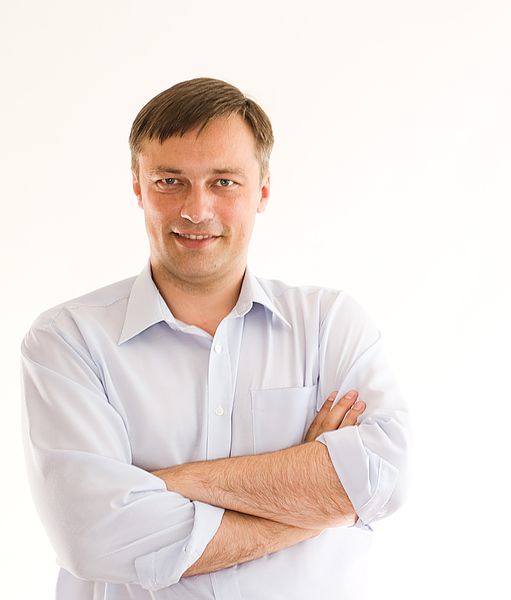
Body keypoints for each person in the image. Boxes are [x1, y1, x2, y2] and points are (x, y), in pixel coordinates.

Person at [20, 77, 410, 599]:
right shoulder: (68, 341)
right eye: (169, 181)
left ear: (263, 190)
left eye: (224, 182)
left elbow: (384, 478)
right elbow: (92, 534)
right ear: (137, 185)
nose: (196, 210)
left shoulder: (329, 325)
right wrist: (315, 509)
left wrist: (171, 483)